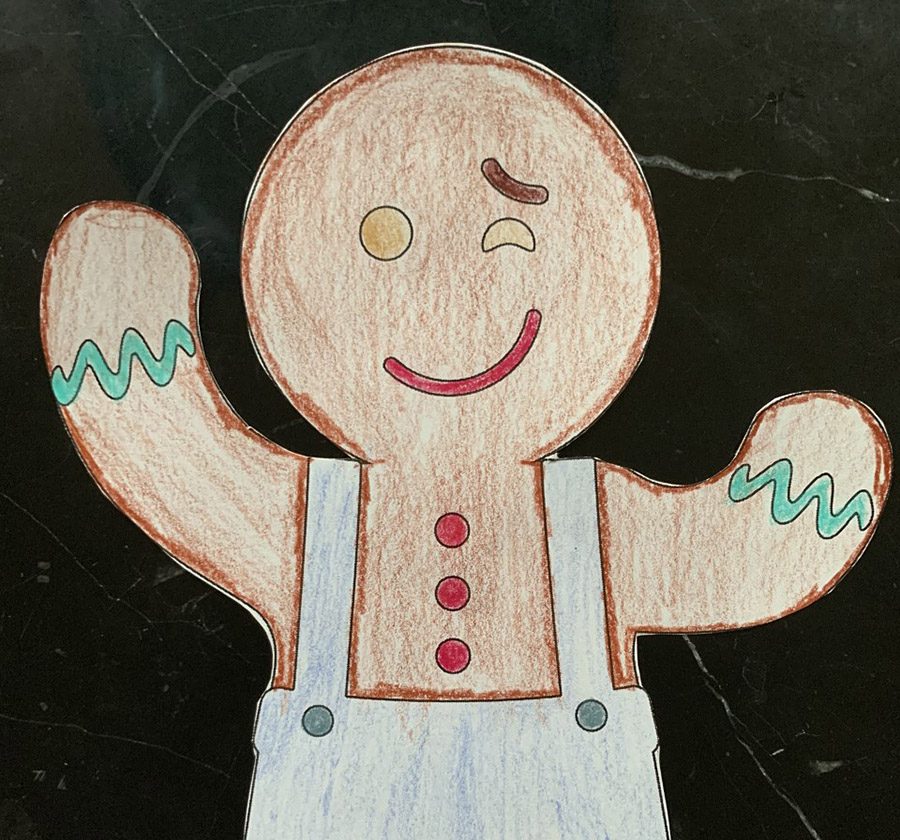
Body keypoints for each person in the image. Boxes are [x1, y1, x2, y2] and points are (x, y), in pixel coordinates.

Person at [41, 44, 890, 839]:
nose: (453, 288)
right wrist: (129, 348)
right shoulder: (306, 525)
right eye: (384, 242)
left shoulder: (592, 523)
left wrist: (796, 496)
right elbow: (184, 465)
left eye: (509, 239)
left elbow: (720, 559)